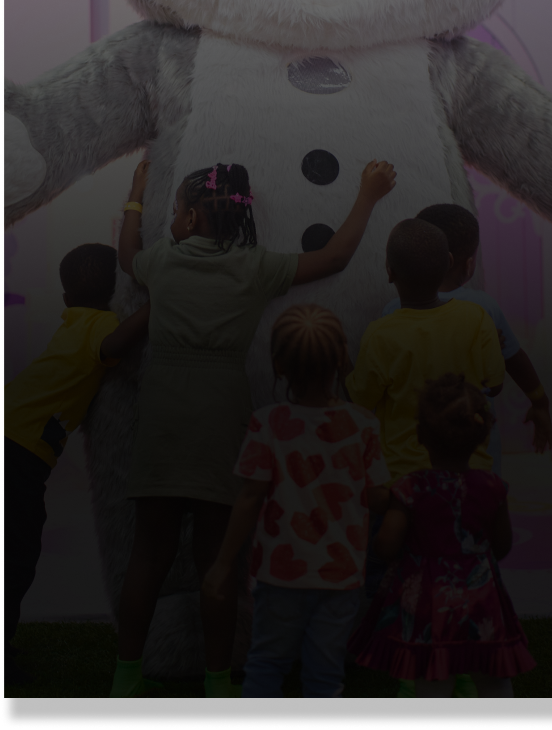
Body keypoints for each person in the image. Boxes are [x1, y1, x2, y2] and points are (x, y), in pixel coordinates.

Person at [110, 156, 396, 699]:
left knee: (148, 554)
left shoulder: (162, 259)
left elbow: (127, 257)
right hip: (221, 416)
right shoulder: (255, 266)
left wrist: (135, 194)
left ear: (189, 218)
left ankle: (125, 677)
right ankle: (219, 682)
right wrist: (368, 195)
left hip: (163, 415)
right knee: (216, 561)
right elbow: (334, 257)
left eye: (176, 209)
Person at [201, 305, 391, 698]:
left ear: (279, 365)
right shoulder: (364, 425)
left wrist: (222, 564)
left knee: (266, 666)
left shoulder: (267, 423)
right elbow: (377, 498)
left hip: (279, 574)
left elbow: (249, 498)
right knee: (325, 676)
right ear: (341, 358)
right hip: (341, 574)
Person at [3, 244, 149, 685]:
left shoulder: (73, 321)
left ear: (67, 298)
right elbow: (115, 344)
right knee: (18, 555)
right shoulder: (99, 324)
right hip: (20, 450)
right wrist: (158, 304)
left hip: (15, 437)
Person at [347, 373, 536, 698]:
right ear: (482, 434)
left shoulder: (410, 488)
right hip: (482, 596)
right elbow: (502, 545)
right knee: (493, 677)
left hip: (428, 603)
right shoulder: (493, 487)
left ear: (420, 435)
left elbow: (386, 545)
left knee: (432, 680)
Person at [381, 204, 552, 476]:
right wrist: (540, 402)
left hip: (410, 452)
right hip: (475, 451)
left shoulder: (392, 311)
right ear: (467, 264)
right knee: (479, 499)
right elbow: (513, 361)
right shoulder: (483, 308)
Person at [344, 218, 505, 483]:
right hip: (470, 469)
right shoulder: (477, 318)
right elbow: (495, 386)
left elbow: (359, 401)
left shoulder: (380, 334)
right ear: (449, 262)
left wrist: (342, 360)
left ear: (389, 272)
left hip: (405, 478)